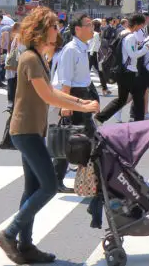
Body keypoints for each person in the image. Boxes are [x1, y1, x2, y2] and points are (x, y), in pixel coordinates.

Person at [0, 7, 100, 264]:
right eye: (53, 26)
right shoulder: (30, 58)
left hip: (33, 130)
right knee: (50, 185)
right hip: (25, 130)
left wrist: (78, 101)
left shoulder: (40, 56)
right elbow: (48, 96)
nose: (57, 30)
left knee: (32, 188)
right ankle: (9, 234)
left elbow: (53, 92)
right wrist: (82, 105)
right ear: (43, 29)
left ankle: (26, 246)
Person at [51, 14, 100, 192]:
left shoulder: (83, 47)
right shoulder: (71, 49)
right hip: (74, 97)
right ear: (77, 29)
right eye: (88, 25)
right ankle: (57, 180)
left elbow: (84, 78)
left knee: (80, 139)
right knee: (71, 140)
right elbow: (66, 81)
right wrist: (65, 105)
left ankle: (92, 179)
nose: (92, 28)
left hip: (83, 95)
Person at [96, 15, 146, 123]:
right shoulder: (131, 36)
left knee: (126, 98)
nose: (142, 27)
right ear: (137, 24)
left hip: (122, 70)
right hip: (128, 71)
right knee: (134, 97)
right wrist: (145, 49)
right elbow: (133, 54)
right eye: (142, 25)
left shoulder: (122, 33)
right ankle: (139, 122)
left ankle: (100, 118)